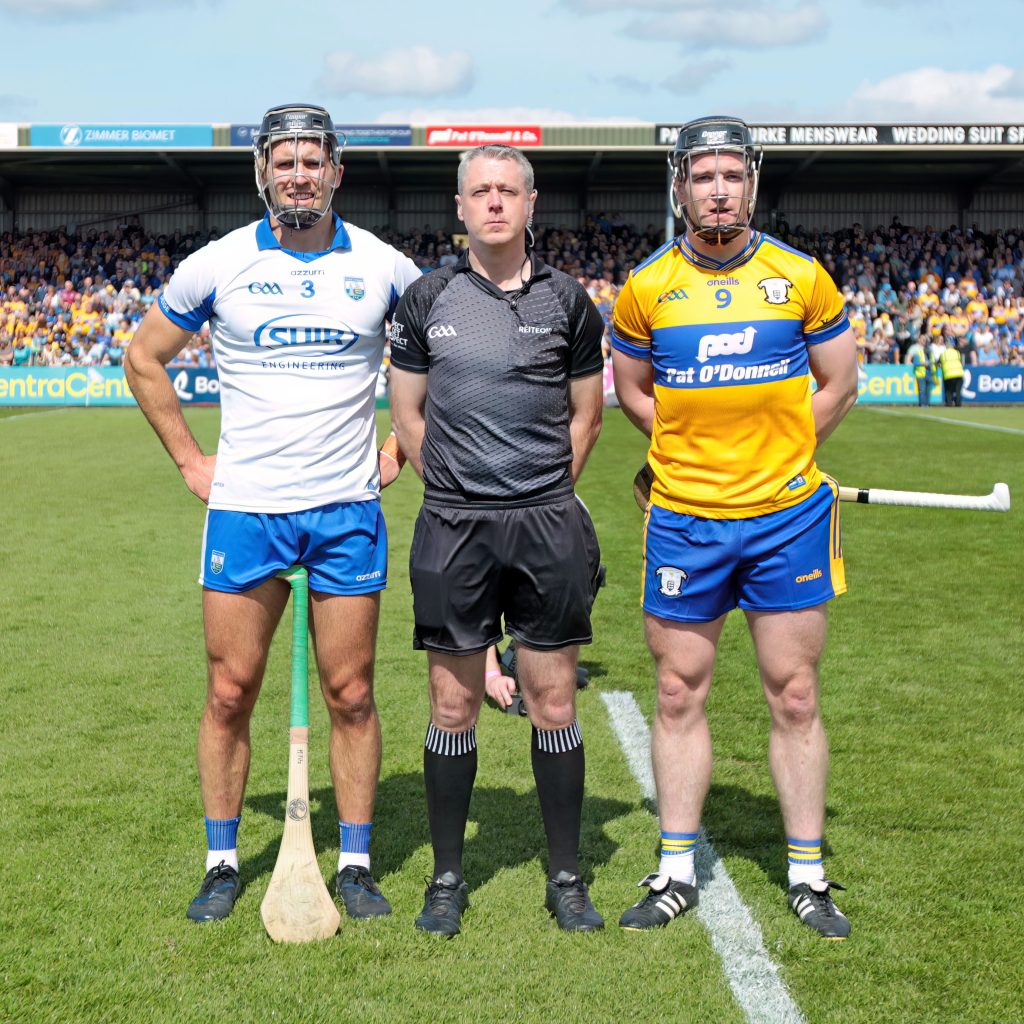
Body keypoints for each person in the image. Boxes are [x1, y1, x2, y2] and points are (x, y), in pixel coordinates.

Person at [124, 103, 421, 925]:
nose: (298, 174)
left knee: (352, 692)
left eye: (312, 161)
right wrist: (190, 459)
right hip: (248, 509)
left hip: (345, 509)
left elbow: (445, 350)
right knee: (229, 691)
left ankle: (355, 864)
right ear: (262, 172)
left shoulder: (381, 263)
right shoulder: (217, 265)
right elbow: (143, 358)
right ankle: (223, 861)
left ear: (337, 171)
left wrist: (396, 449)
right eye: (283, 161)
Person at [611, 116, 858, 939]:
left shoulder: (800, 276)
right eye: (703, 175)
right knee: (678, 689)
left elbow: (839, 382)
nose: (719, 189)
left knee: (793, 693)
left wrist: (782, 455)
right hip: (685, 519)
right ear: (680, 186)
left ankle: (808, 873)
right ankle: (676, 867)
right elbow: (634, 390)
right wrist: (687, 451)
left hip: (786, 517)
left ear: (750, 183)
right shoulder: (647, 286)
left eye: (732, 175)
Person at [388, 144, 605, 936]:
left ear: (531, 201)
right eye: (479, 191)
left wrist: (544, 491)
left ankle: (568, 877)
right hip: (452, 526)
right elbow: (407, 415)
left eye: (507, 190)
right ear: (459, 207)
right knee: (452, 705)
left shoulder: (570, 303)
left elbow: (588, 416)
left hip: (546, 524)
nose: (493, 203)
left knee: (551, 700)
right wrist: (453, 487)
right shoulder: (425, 300)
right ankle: (446, 879)